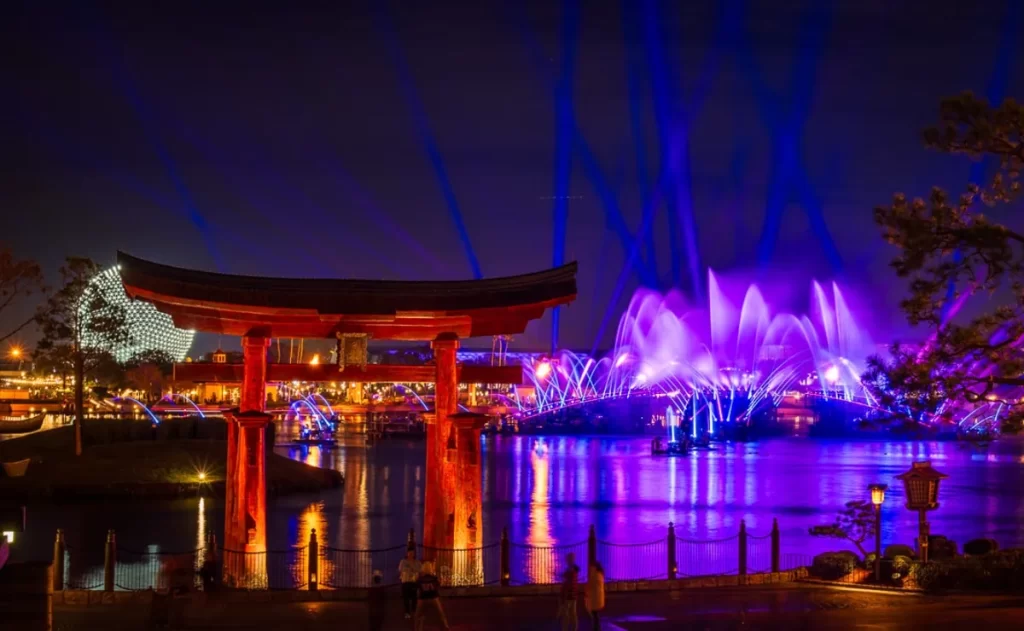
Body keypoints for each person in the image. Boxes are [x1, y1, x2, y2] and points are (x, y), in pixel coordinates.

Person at [414, 561, 449, 631]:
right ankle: (445, 627)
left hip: (422, 598)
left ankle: (417, 629)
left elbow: (416, 587)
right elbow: (438, 585)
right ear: (431, 568)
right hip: (433, 598)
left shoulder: (420, 579)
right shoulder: (434, 578)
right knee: (441, 614)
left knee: (418, 615)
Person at [558, 553, 581, 631]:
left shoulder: (570, 570)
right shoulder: (574, 570)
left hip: (568, 595)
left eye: (567, 559)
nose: (566, 561)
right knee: (573, 613)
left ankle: (565, 629)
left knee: (566, 614)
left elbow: (566, 581)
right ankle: (574, 629)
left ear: (569, 560)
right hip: (573, 595)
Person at [398, 549, 422, 619]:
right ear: (407, 553)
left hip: (413, 582)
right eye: (410, 553)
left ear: (414, 554)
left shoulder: (417, 562)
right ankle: (407, 612)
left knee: (414, 598)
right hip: (405, 581)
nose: (411, 554)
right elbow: (400, 570)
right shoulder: (403, 562)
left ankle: (414, 611)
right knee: (406, 598)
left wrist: (412, 569)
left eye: (412, 553)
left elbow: (420, 570)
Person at [585, 561, 606, 630]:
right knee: (595, 615)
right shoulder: (599, 575)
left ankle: (596, 628)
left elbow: (590, 586)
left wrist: (587, 591)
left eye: (592, 567)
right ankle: (597, 628)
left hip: (595, 599)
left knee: (595, 615)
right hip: (597, 599)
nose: (590, 568)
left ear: (594, 567)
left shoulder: (595, 575)